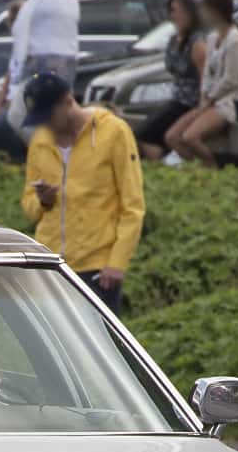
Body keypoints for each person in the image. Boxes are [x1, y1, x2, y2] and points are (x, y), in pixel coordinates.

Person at [19, 71, 145, 312]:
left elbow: (133, 206)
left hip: (97, 267)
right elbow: (28, 204)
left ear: (68, 102)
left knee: (100, 343)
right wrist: (42, 201)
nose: (45, 125)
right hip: (51, 263)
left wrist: (117, 262)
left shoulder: (114, 132)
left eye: (48, 116)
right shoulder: (40, 140)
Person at [168, 0, 238, 171]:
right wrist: (204, 96)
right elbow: (208, 72)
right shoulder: (212, 37)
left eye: (205, 10)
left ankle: (212, 169)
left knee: (190, 137)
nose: (203, 15)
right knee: (172, 137)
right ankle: (198, 170)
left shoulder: (236, 40)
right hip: (212, 100)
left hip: (232, 101)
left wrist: (211, 98)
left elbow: (230, 80)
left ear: (215, 11)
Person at [0, 0, 79, 132]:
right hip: (67, 66)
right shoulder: (72, 0)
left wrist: (15, 80)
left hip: (39, 64)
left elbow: (20, 33)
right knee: (58, 112)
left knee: (18, 114)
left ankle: (41, 148)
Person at [136, 0, 207, 163]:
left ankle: (174, 168)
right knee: (143, 132)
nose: (173, 16)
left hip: (190, 102)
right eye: (171, 11)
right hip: (176, 99)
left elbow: (205, 78)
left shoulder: (197, 43)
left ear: (190, 13)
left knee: (148, 134)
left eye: (177, 11)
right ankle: (166, 166)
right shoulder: (174, 41)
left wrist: (202, 108)